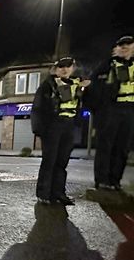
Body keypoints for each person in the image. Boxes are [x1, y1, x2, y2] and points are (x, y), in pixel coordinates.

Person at [89, 35, 134, 191]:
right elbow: (94, 89)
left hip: (131, 112)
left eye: (128, 44)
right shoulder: (106, 65)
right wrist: (100, 112)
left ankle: (115, 180)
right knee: (106, 147)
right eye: (121, 45)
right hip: (111, 111)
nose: (124, 47)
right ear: (116, 48)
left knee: (123, 148)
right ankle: (102, 180)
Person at [31, 56, 90, 206]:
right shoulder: (48, 85)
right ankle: (44, 194)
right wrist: (38, 129)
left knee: (62, 161)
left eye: (68, 66)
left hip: (69, 125)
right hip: (52, 126)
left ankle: (59, 193)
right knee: (49, 161)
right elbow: (38, 108)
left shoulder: (77, 84)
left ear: (73, 67)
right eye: (61, 67)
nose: (64, 69)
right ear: (55, 69)